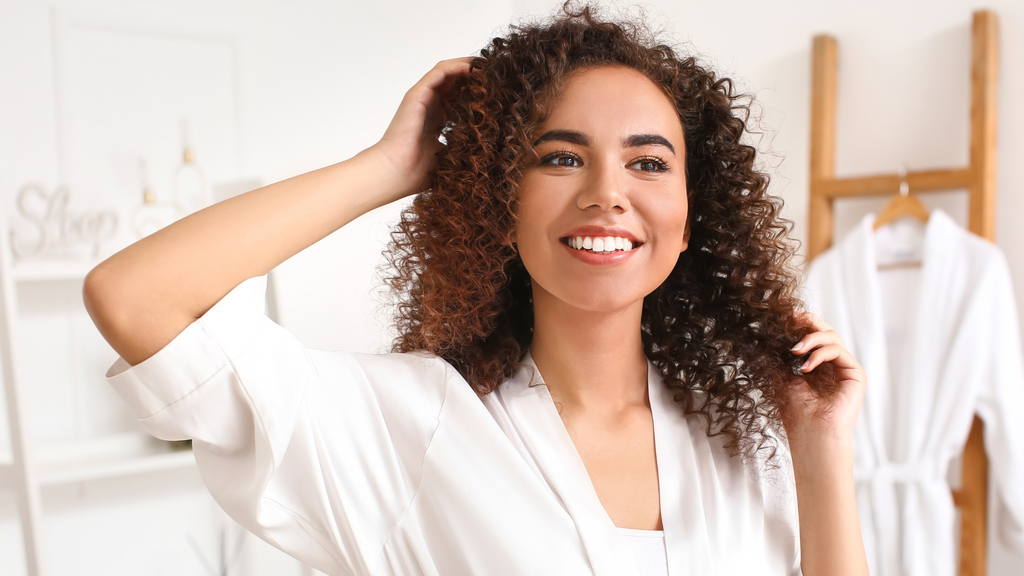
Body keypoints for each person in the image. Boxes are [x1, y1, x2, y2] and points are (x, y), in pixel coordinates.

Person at [85, 5, 868, 576]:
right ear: (499, 201)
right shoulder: (407, 424)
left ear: (694, 217)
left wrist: (819, 446)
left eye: (650, 162)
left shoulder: (743, 439)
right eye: (561, 158)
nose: (608, 193)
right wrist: (387, 168)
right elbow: (133, 297)